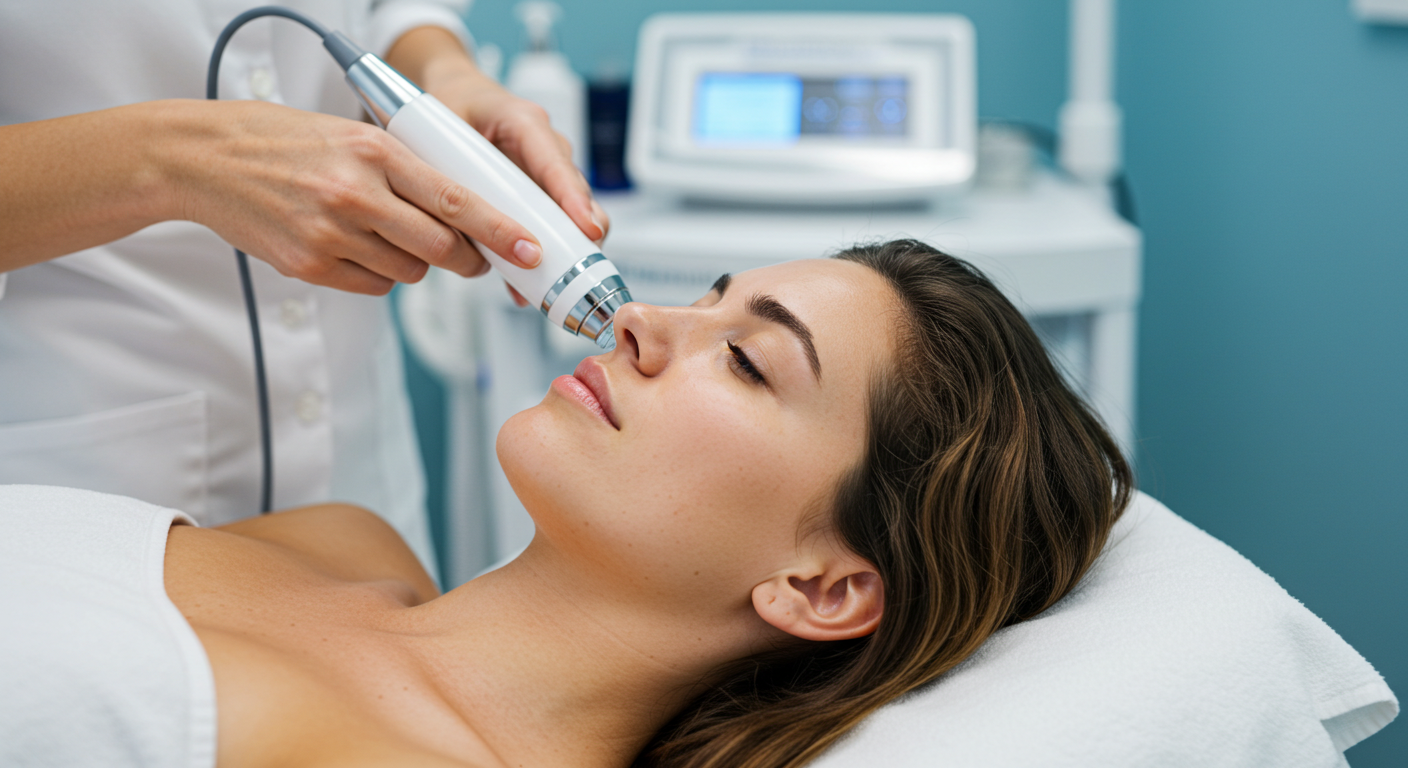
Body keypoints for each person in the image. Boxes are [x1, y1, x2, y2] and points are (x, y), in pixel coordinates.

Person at [0, 241, 1133, 767]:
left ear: (823, 587)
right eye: (708, 298)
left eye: (748, 364)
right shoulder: (345, 541)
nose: (640, 322)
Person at [0, 1, 606, 571]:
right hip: (92, 481)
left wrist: (441, 68)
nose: (642, 328)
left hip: (359, 454)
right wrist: (173, 161)